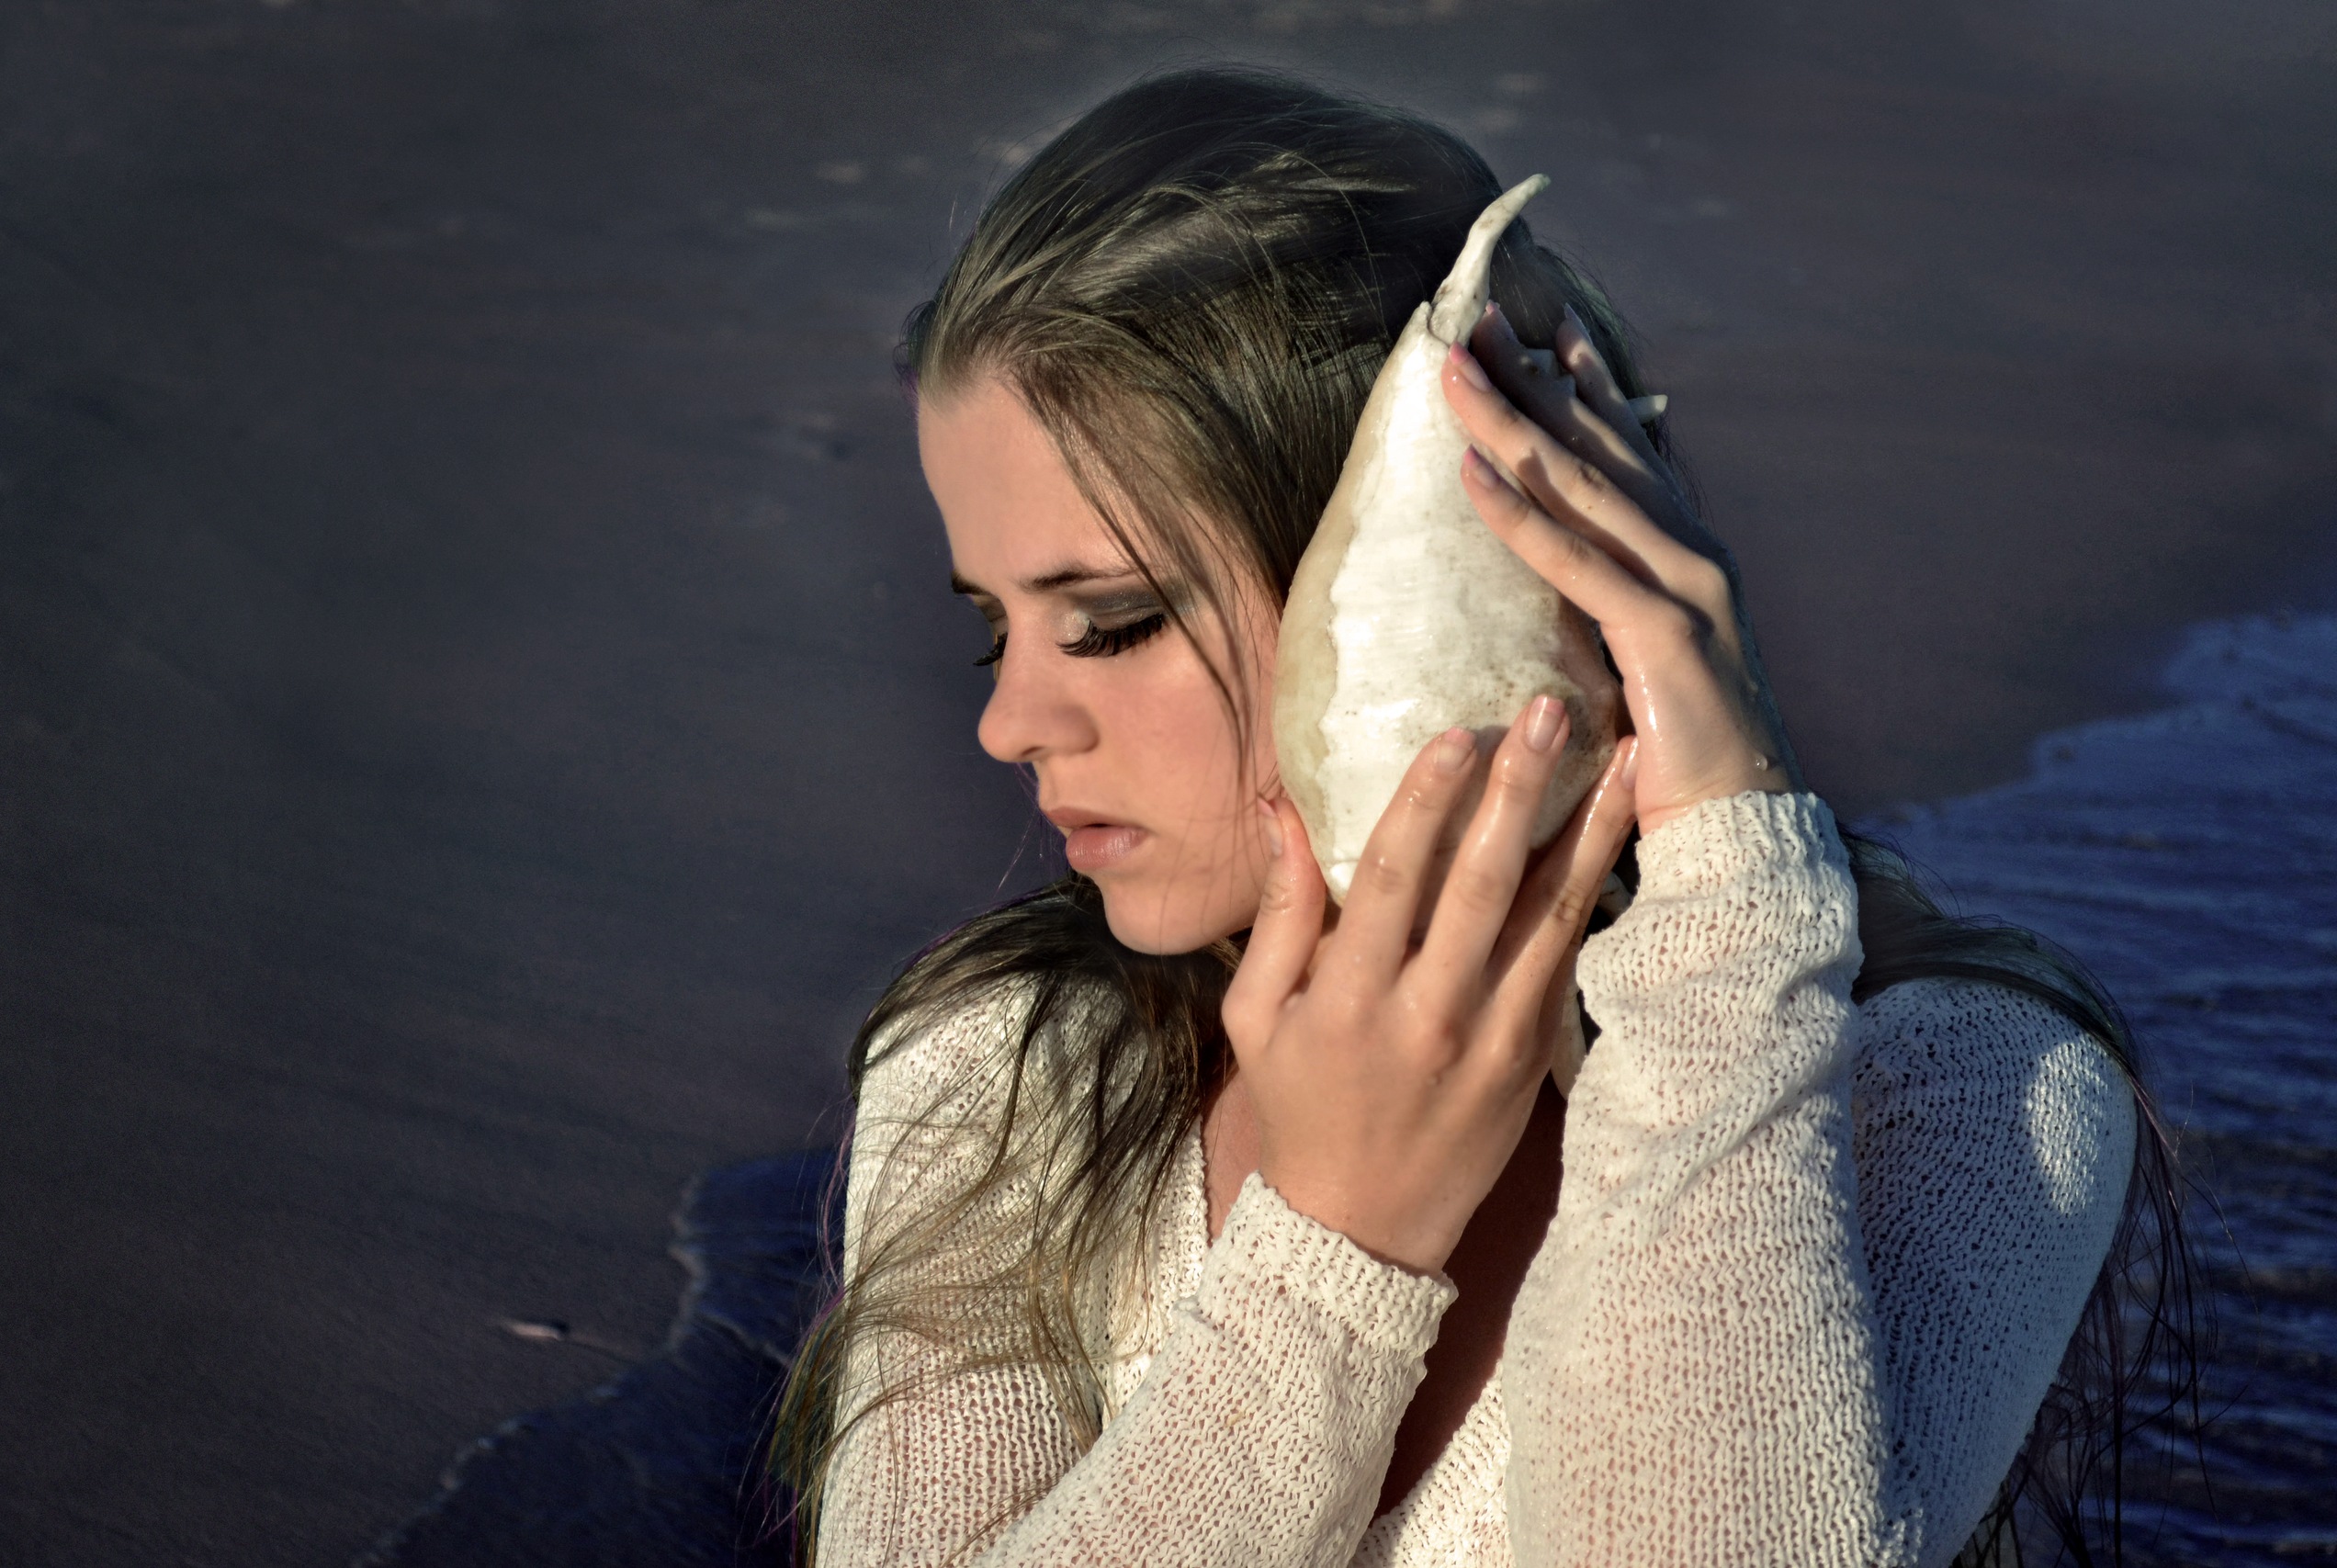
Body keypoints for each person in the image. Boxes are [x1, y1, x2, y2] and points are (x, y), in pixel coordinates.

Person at [771, 67, 2187, 1568]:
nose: (1007, 726)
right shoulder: (1007, 1077)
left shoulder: (1968, 1085)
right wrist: (1332, 1250)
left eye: (1109, 622)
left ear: (1444, 561)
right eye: (994, 631)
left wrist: (1729, 906)